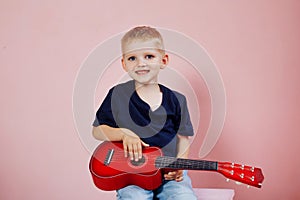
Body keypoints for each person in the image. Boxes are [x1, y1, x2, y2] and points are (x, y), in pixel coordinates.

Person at [92, 26, 197, 200]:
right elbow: (97, 130)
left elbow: (183, 139)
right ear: (124, 64)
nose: (141, 63)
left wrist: (180, 166)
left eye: (149, 56)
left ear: (163, 60)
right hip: (132, 176)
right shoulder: (117, 95)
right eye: (132, 58)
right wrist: (123, 133)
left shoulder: (178, 100)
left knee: (184, 197)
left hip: (168, 175)